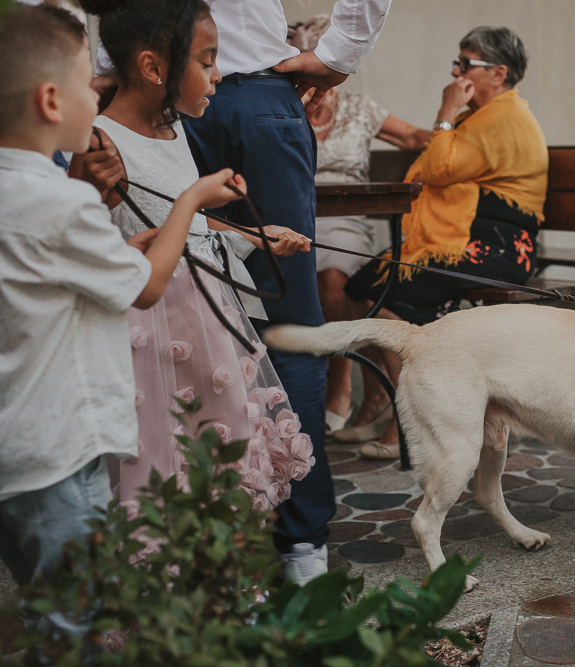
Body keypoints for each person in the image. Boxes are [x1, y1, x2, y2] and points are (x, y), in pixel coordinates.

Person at [0, 3, 243, 584]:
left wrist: (126, 240)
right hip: (59, 452)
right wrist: (192, 201)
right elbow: (149, 287)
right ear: (51, 102)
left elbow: (54, 272)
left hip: (10, 449)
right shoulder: (63, 203)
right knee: (80, 617)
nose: (98, 95)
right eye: (89, 83)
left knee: (44, 607)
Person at [71, 0, 316, 514]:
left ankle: (226, 579)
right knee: (167, 461)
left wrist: (254, 235)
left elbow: (192, 228)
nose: (218, 75)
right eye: (206, 62)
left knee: (221, 453)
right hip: (151, 337)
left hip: (210, 325)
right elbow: (90, 240)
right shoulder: (100, 145)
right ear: (154, 68)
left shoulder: (175, 129)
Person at [180, 0, 391, 585]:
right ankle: (301, 543)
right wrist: (337, 53)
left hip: (163, 95)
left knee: (180, 320)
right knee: (291, 328)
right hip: (260, 95)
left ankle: (203, 531)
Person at [340, 26, 549, 461]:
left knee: (393, 299)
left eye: (465, 64)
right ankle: (384, 403)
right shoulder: (491, 115)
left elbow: (436, 168)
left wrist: (446, 109)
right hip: (474, 241)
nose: (455, 72)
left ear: (497, 73)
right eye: (458, 63)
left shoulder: (505, 116)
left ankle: (409, 423)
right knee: (364, 285)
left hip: (500, 250)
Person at [288, 19, 432, 435]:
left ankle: (340, 377)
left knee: (334, 278)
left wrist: (455, 126)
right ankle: (369, 388)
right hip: (300, 215)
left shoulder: (359, 107)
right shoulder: (286, 106)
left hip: (349, 219)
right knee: (310, 276)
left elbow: (411, 139)